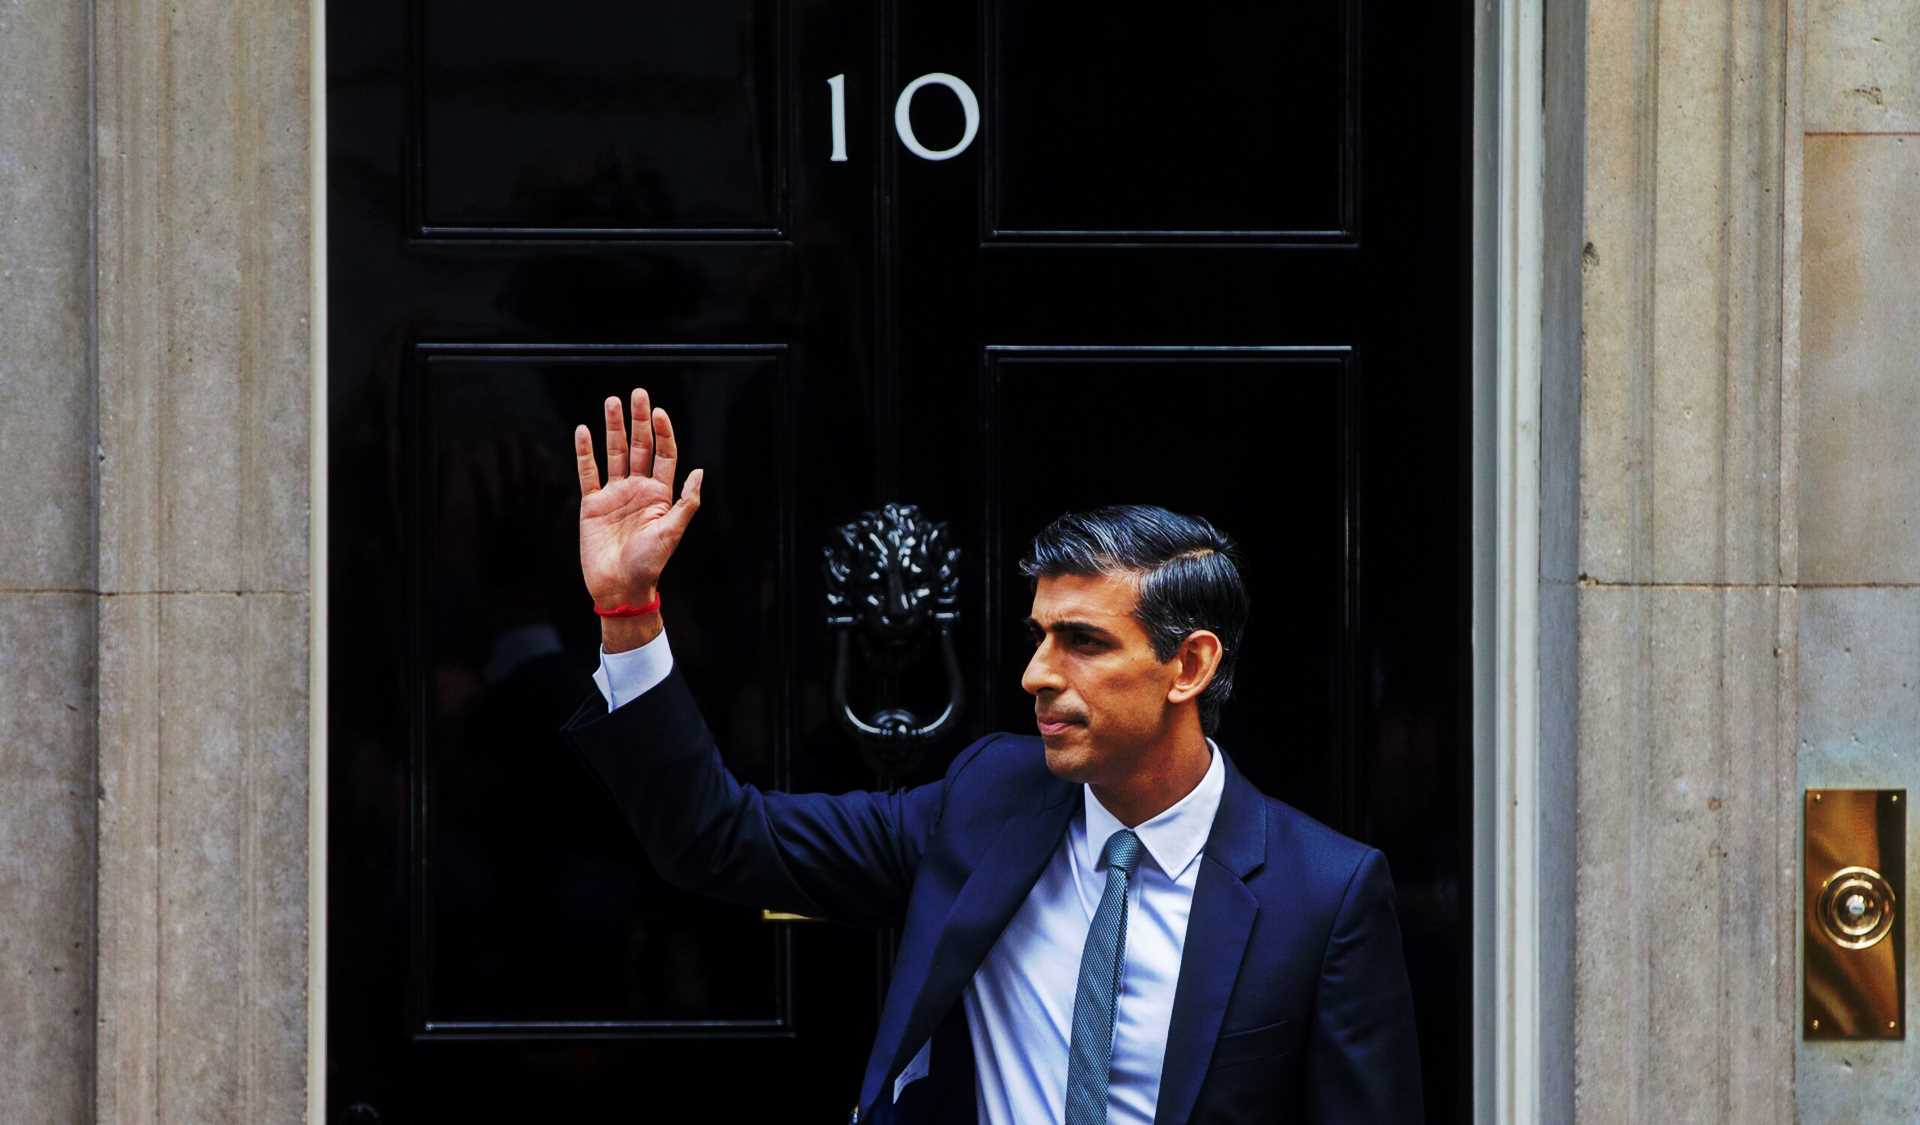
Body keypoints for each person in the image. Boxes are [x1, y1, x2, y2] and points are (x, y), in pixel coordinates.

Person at [559, 389, 1423, 1124]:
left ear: (1189, 666)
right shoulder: (986, 801)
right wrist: (629, 612)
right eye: (1040, 635)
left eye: (1083, 641)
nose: (1037, 673)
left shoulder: (1324, 895)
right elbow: (718, 836)